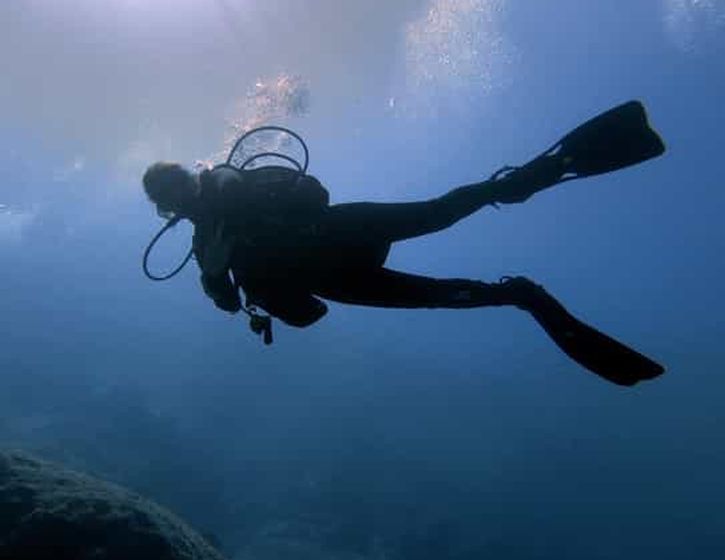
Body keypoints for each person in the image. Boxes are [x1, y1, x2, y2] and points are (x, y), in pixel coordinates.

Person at [142, 101, 666, 386]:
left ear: (190, 176)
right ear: (168, 210)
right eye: (172, 197)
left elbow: (313, 193)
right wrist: (215, 274)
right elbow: (230, 303)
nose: (183, 197)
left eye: (180, 184)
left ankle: (534, 175)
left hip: (339, 233)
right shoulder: (206, 246)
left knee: (440, 211)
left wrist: (237, 199)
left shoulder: (231, 182)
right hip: (335, 277)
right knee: (433, 293)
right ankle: (520, 295)